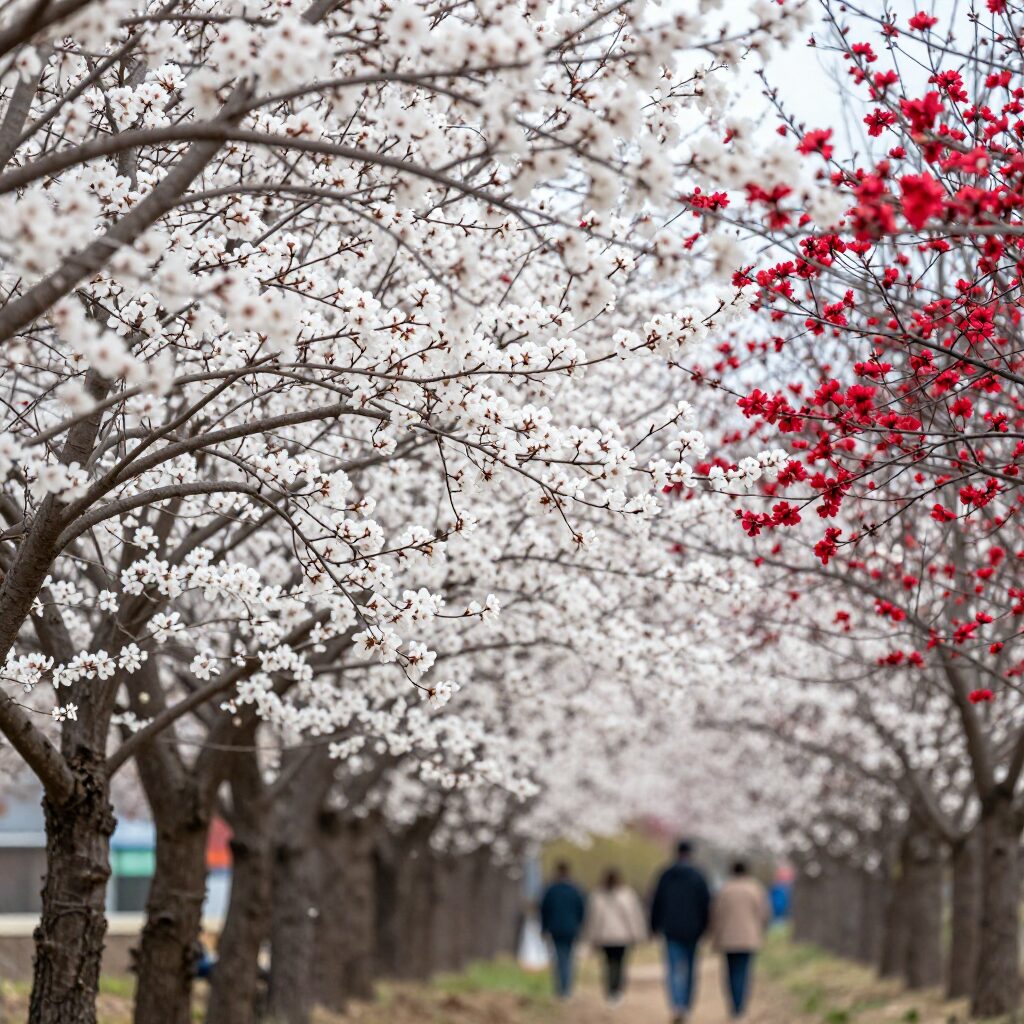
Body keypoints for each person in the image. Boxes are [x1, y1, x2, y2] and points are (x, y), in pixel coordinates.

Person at [650, 840, 711, 1024]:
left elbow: (656, 902)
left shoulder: (665, 875)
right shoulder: (699, 876)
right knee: (691, 969)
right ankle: (687, 1004)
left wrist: (654, 926)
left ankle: (677, 1004)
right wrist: (705, 927)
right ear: (690, 854)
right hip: (693, 930)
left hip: (671, 929)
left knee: (674, 968)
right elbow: (706, 904)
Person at [711, 861, 771, 1018]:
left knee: (730, 973)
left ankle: (733, 1006)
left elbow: (715, 915)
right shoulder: (756, 889)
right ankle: (741, 1008)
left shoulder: (724, 890)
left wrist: (715, 936)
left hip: (727, 939)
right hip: (749, 938)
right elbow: (764, 914)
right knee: (744, 973)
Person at [584, 868, 648, 1004]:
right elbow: (633, 917)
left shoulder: (598, 895)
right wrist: (637, 935)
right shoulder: (626, 894)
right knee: (619, 964)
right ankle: (617, 990)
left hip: (605, 937)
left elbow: (594, 919)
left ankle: (611, 991)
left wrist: (592, 938)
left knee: (609, 965)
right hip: (621, 937)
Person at [539, 860, 586, 999]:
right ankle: (566, 988)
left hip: (555, 929)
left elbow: (543, 911)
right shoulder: (576, 890)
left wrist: (543, 928)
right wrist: (580, 925)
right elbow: (582, 909)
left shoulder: (550, 890)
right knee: (569, 958)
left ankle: (561, 989)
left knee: (559, 957)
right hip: (571, 929)